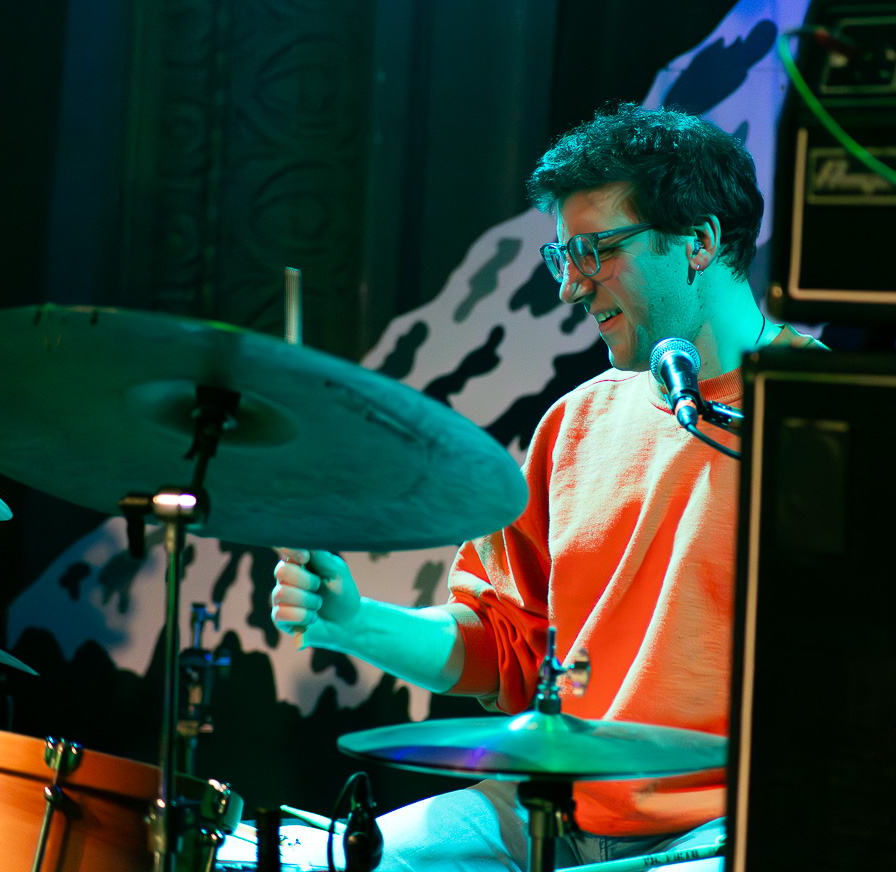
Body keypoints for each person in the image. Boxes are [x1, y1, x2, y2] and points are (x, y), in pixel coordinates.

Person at [271, 103, 826, 870]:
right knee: (338, 863)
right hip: (549, 807)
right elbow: (505, 646)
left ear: (698, 242)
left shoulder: (832, 422)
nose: (572, 289)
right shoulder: (574, 427)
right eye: (561, 257)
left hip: (727, 833)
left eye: (595, 252)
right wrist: (353, 622)